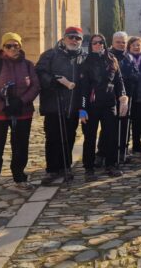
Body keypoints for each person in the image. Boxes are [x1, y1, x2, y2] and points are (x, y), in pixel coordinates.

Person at [0, 32, 40, 197]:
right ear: (3, 48)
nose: (13, 48)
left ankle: (20, 177)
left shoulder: (28, 65)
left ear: (20, 47)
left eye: (16, 45)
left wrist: (21, 101)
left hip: (22, 112)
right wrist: (2, 106)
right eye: (9, 46)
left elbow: (35, 86)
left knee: (20, 147)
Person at [36, 26, 87, 184]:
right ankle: (52, 169)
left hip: (73, 106)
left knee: (69, 137)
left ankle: (66, 166)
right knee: (53, 138)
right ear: (64, 38)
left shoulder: (84, 57)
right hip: (54, 105)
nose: (74, 40)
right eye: (71, 37)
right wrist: (53, 81)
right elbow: (39, 72)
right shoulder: (50, 55)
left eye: (77, 38)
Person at [78, 34, 128, 179]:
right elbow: (83, 88)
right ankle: (89, 168)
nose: (98, 45)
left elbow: (119, 81)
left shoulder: (112, 59)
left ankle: (111, 165)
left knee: (111, 136)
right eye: (95, 43)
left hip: (109, 103)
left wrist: (122, 96)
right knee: (90, 137)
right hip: (91, 105)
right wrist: (82, 109)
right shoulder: (85, 62)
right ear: (90, 45)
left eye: (101, 42)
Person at [106, 31, 138, 164]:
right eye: (118, 42)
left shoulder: (129, 57)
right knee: (110, 126)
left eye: (123, 42)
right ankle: (105, 153)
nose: (121, 44)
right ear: (112, 42)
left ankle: (122, 151)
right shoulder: (107, 56)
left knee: (125, 125)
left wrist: (133, 77)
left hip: (126, 97)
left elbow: (135, 72)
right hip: (111, 97)